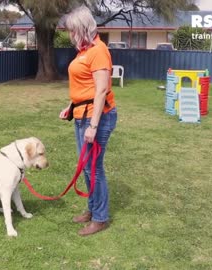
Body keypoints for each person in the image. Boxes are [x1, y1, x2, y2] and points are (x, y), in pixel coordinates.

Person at [59, 5, 117, 236]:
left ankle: (100, 218)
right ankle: (92, 210)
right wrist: (72, 106)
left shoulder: (98, 51)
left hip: (98, 118)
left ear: (82, 28)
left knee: (94, 170)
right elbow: (85, 87)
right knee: (86, 168)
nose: (70, 35)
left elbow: (101, 91)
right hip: (82, 114)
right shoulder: (84, 51)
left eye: (72, 30)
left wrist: (93, 126)